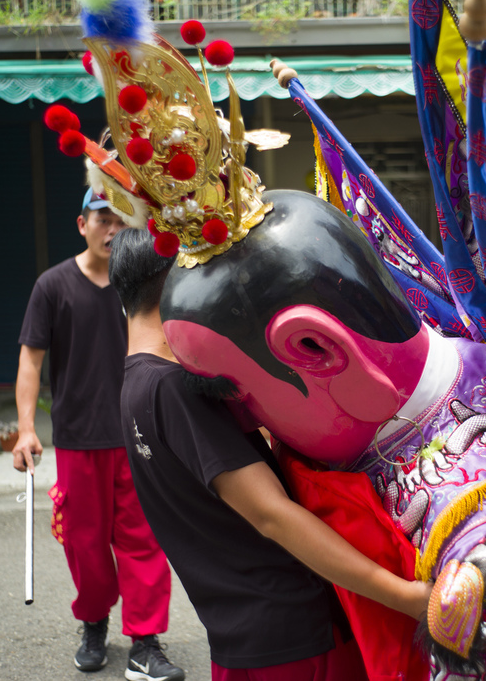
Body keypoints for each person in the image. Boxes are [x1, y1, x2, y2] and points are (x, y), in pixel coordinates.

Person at [109, 227, 431, 681]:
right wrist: (405, 597)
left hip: (241, 637)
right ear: (174, 278)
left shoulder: (134, 384)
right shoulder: (173, 386)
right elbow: (271, 515)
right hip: (294, 635)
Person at [13, 188, 184, 681]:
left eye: (122, 220)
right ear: (81, 224)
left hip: (138, 435)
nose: (112, 228)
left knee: (143, 539)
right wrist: (26, 429)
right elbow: (31, 360)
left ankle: (145, 642)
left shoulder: (142, 286)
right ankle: (93, 622)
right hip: (78, 438)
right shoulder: (53, 286)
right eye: (102, 218)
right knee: (84, 544)